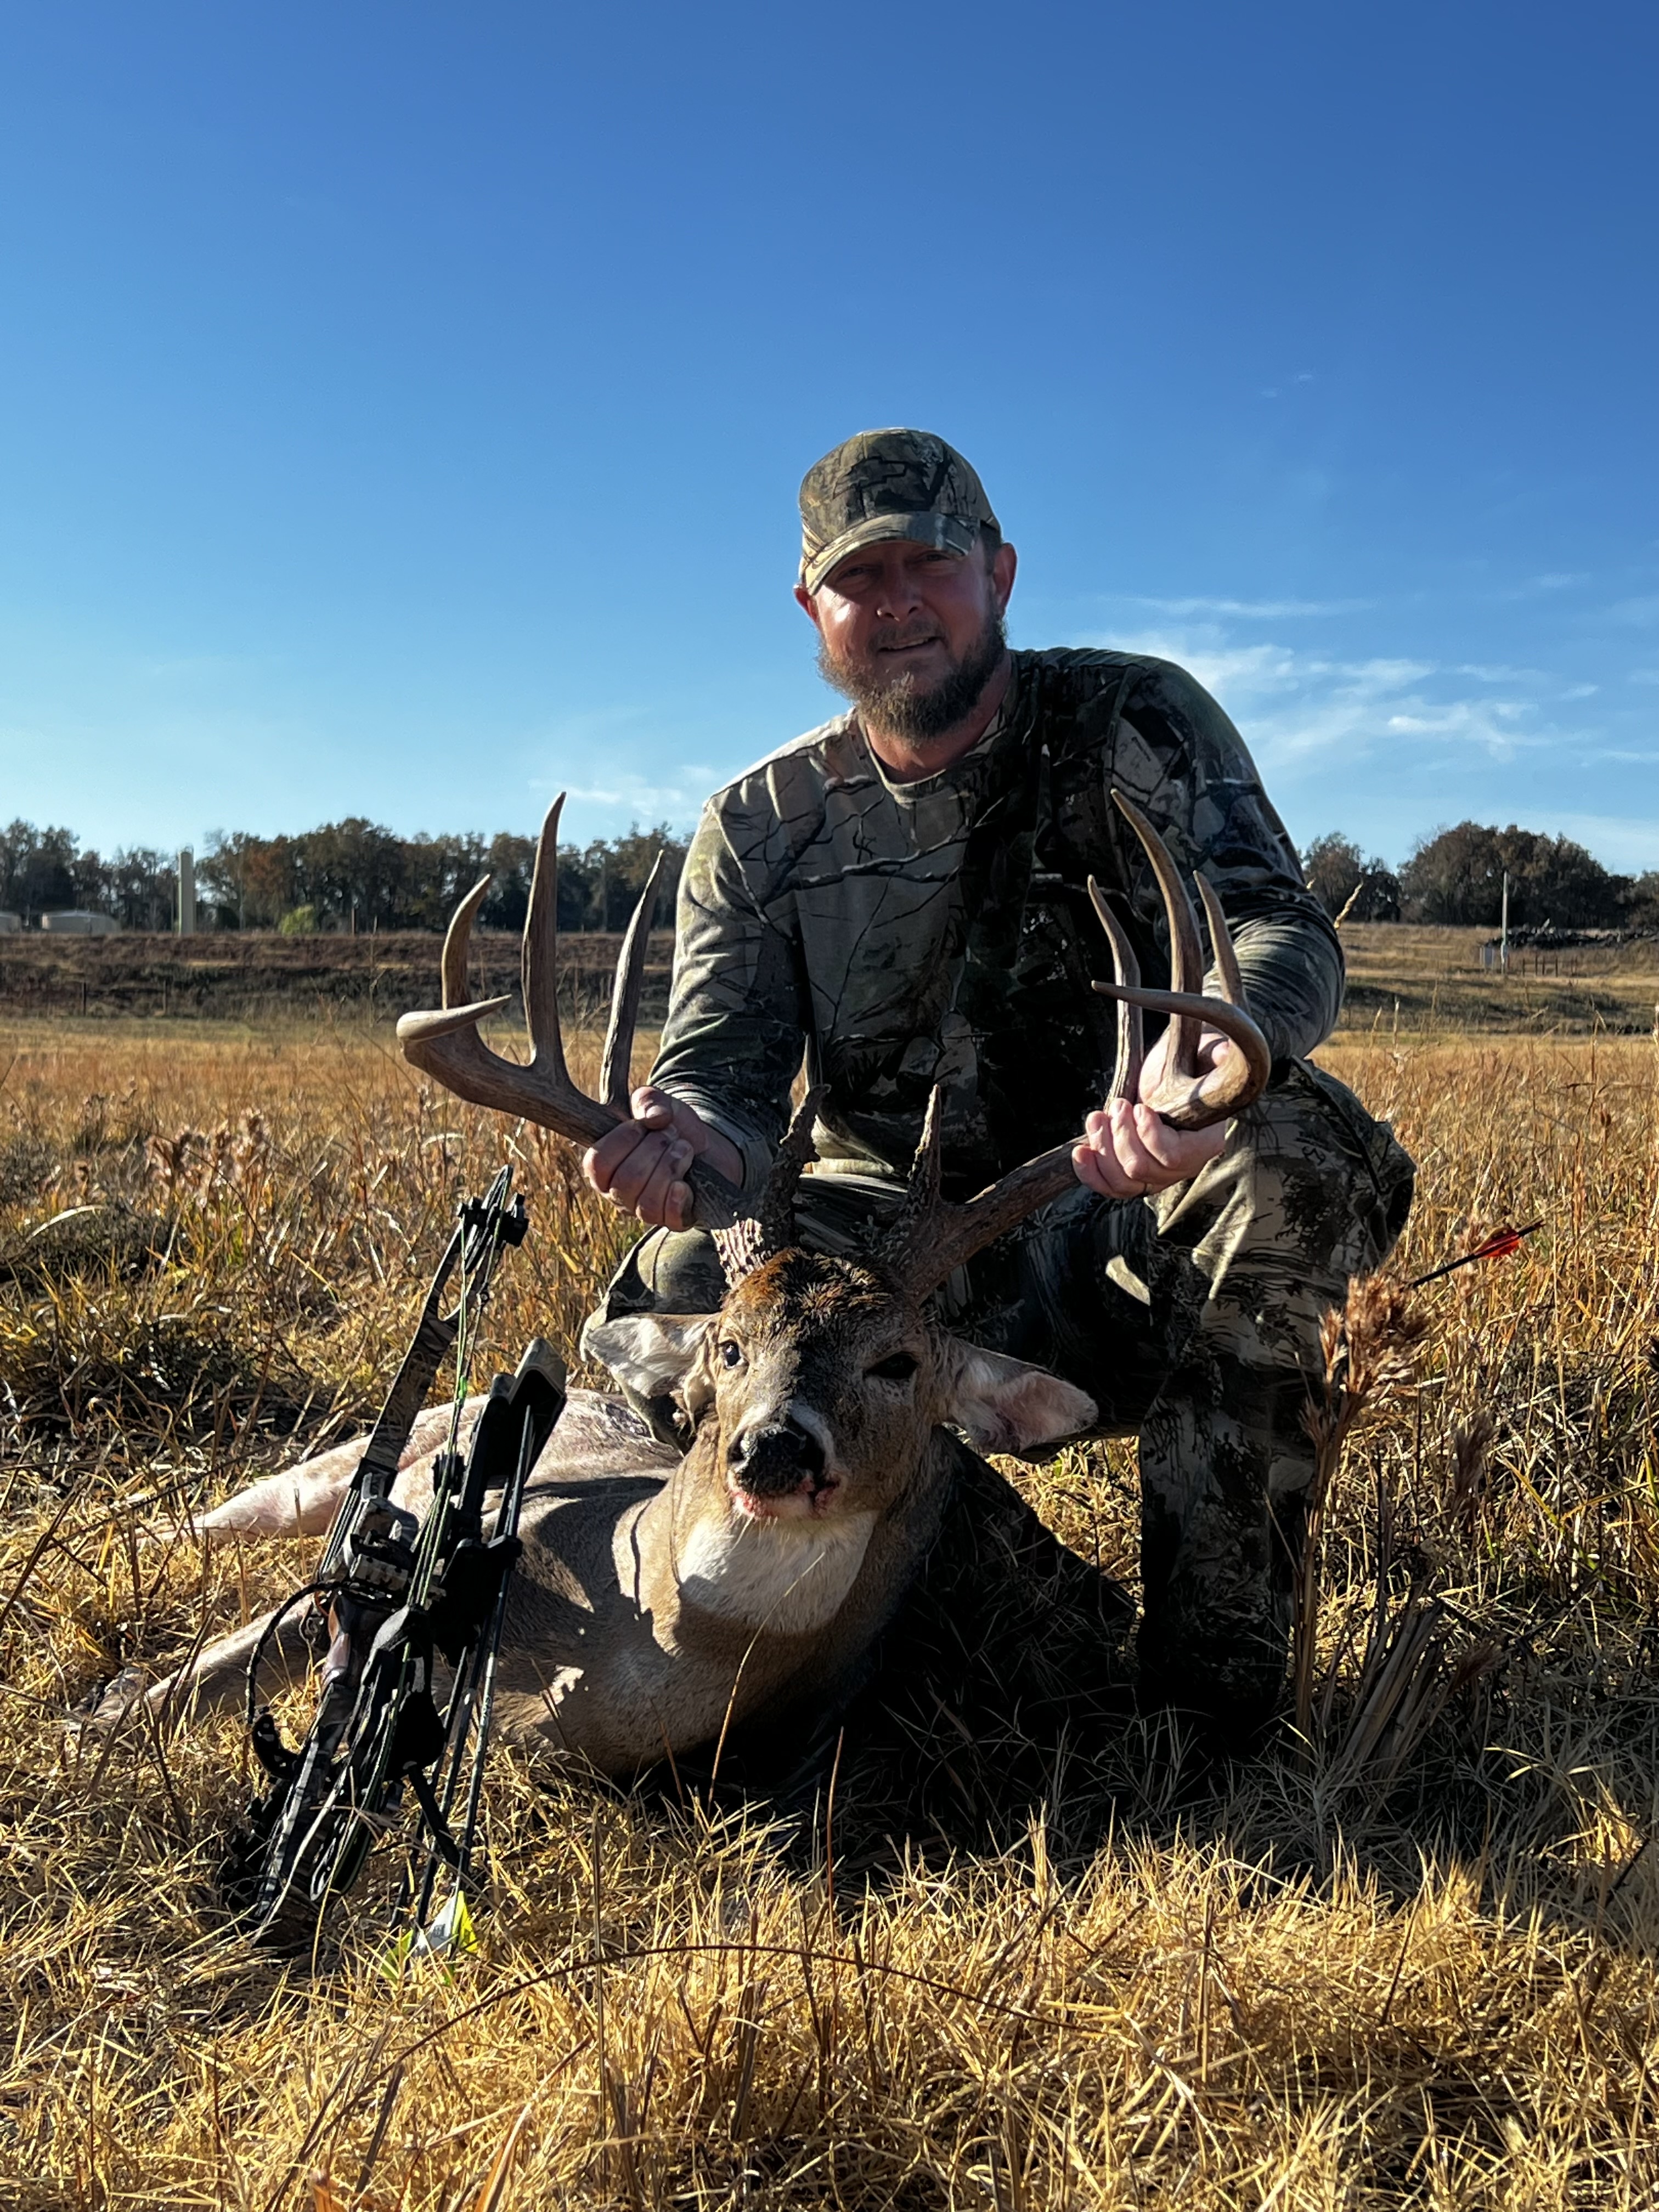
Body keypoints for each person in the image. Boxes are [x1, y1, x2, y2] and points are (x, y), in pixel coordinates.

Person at [582, 427, 1413, 1741]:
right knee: (690, 1293)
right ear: (814, 608)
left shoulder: (1133, 720)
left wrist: (1220, 1055)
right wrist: (679, 1136)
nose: (900, 600)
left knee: (1292, 1161)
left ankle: (1210, 1713)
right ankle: (828, 1659)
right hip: (897, 1264)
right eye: (863, 577)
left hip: (1121, 1194)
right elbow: (722, 1082)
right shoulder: (760, 825)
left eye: (935, 563)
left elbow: (1280, 927)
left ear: (1002, 575)